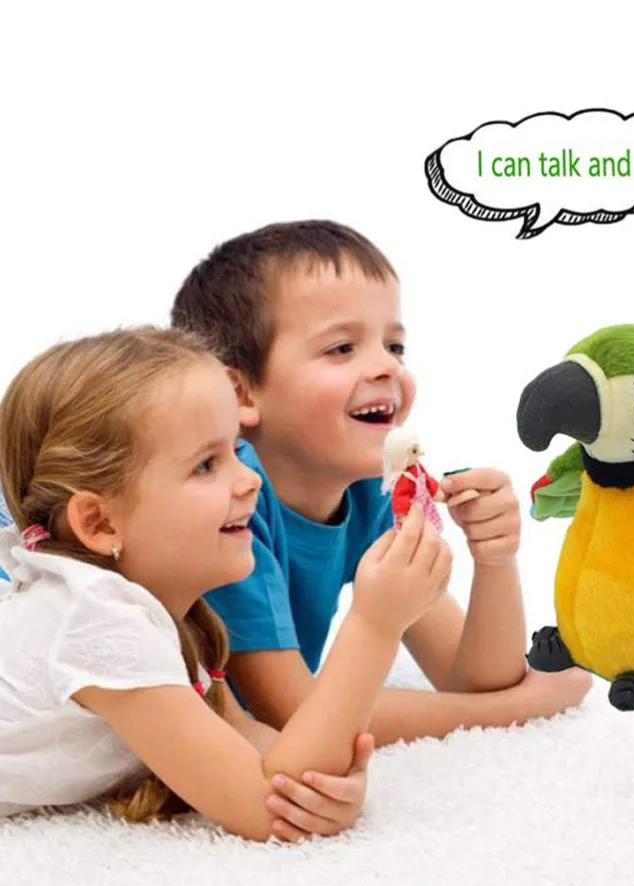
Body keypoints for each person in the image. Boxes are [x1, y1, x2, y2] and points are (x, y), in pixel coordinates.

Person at [0, 328, 451, 842]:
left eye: (237, 450)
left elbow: (259, 751)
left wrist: (328, 786)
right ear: (100, 523)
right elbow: (268, 813)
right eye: (206, 465)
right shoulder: (96, 620)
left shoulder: (170, 615)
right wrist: (375, 625)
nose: (251, 479)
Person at [170, 220, 592, 739]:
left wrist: (495, 560)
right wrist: (522, 707)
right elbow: (296, 712)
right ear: (240, 394)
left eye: (395, 347)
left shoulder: (371, 492)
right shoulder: (228, 504)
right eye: (341, 348)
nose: (387, 368)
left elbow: (468, 678)